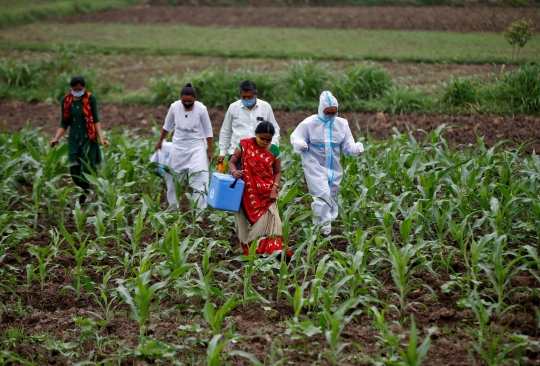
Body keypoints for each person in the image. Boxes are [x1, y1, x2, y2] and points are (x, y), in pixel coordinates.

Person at [290, 91, 364, 237]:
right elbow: (295, 137)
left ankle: (325, 224)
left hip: (334, 168)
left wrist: (356, 149)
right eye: (327, 113)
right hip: (314, 165)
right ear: (321, 109)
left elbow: (347, 145)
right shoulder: (309, 123)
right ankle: (322, 231)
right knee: (322, 195)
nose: (330, 116)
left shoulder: (341, 124)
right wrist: (301, 144)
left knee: (330, 196)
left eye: (333, 113)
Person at [229, 121, 291, 259]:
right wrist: (234, 172)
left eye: (268, 139)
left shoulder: (274, 150)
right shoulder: (245, 145)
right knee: (244, 222)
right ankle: (251, 251)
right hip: (246, 192)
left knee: (270, 222)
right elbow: (232, 162)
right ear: (256, 134)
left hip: (267, 192)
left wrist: (275, 187)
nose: (265, 142)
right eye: (262, 138)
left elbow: (277, 172)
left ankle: (272, 251)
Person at [155, 82, 213, 222]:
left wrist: (210, 150)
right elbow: (167, 126)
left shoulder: (201, 109)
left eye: (190, 101)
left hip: (196, 146)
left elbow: (208, 130)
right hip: (178, 146)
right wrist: (160, 141)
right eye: (184, 101)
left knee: (200, 176)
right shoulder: (175, 107)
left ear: (195, 98)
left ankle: (198, 213)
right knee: (172, 177)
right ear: (180, 99)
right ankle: (173, 208)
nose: (187, 104)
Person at [49, 76, 109, 205]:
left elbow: (96, 120)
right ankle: (88, 193)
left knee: (85, 169)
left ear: (84, 88)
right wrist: (56, 138)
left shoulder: (90, 99)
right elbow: (64, 123)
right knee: (74, 168)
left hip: (89, 138)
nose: (78, 92)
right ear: (71, 88)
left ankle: (84, 199)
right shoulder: (65, 100)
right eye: (75, 89)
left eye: (80, 89)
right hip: (73, 139)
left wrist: (101, 139)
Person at [217, 80, 280, 167]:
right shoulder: (233, 107)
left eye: (249, 97)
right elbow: (226, 130)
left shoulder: (265, 107)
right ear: (240, 95)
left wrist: (272, 146)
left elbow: (275, 129)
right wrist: (223, 152)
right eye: (244, 97)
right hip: (237, 153)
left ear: (255, 94)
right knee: (239, 179)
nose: (246, 99)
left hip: (260, 153)